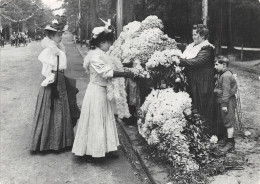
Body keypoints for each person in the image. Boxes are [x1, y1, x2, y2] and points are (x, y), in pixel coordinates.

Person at [72, 25, 134, 158]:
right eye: (108, 42)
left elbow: (113, 65)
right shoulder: (94, 57)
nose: (110, 45)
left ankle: (106, 148)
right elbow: (108, 73)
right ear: (101, 43)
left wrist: (126, 68)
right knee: (96, 119)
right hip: (96, 92)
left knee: (105, 117)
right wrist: (126, 74)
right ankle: (93, 152)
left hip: (103, 91)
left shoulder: (102, 54)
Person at [30, 20, 75, 152]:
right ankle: (48, 142)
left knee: (62, 108)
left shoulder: (58, 48)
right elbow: (47, 69)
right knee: (51, 107)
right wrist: (52, 82)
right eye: (57, 35)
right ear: (50, 36)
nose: (60, 37)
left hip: (60, 79)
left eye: (61, 34)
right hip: (53, 81)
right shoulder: (50, 50)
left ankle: (62, 141)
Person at [179, 24, 215, 131]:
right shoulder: (192, 46)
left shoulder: (207, 48)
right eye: (193, 35)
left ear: (203, 36)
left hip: (202, 80)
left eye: (196, 35)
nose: (193, 37)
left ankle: (203, 129)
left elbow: (197, 62)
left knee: (201, 102)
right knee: (192, 102)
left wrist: (180, 61)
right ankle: (194, 127)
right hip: (193, 78)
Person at [214, 56, 237, 153]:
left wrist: (224, 105)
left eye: (216, 64)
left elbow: (226, 92)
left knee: (228, 121)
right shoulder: (222, 74)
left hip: (227, 102)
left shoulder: (226, 76)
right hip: (225, 100)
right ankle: (227, 140)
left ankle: (230, 143)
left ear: (224, 65)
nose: (214, 66)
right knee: (225, 121)